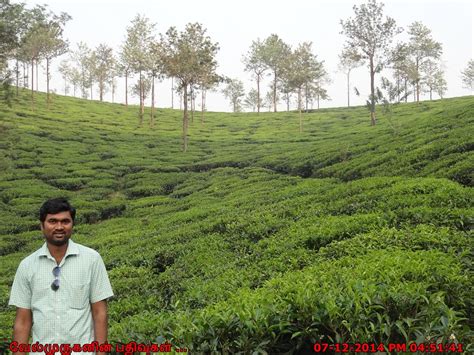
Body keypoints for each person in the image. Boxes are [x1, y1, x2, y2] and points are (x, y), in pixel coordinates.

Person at [8, 198, 114, 355]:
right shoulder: (27, 266)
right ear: (42, 225)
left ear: (72, 224)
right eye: (52, 221)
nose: (59, 227)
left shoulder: (92, 259)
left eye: (65, 221)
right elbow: (23, 321)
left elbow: (100, 313)